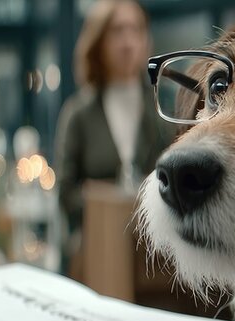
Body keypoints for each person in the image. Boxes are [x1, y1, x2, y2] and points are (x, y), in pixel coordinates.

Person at [55, 0, 172, 272]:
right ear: (99, 42)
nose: (128, 41)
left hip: (152, 253)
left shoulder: (162, 106)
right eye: (117, 31)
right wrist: (107, 202)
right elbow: (66, 191)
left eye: (136, 30)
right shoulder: (78, 113)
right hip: (97, 248)